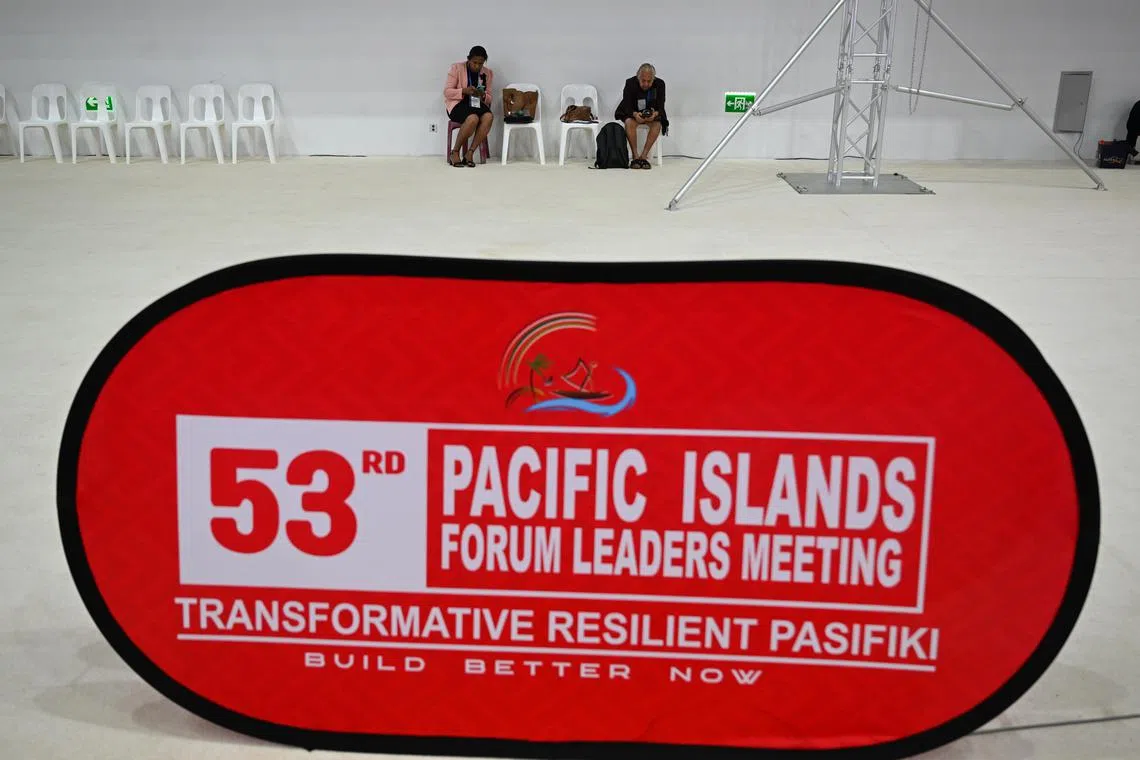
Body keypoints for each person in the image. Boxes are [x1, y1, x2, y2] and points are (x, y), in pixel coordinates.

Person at [444, 46, 494, 167]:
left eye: (480, 63)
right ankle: (455, 152)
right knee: (473, 119)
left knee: (488, 117)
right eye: (474, 62)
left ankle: (470, 153)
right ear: (468, 60)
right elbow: (447, 92)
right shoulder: (456, 68)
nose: (477, 66)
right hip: (458, 104)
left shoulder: (487, 73)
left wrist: (483, 96)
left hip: (476, 103)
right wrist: (464, 91)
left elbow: (489, 97)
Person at [614, 63, 668, 169]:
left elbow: (661, 106)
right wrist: (635, 114)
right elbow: (627, 105)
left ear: (653, 79)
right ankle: (635, 156)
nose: (646, 84)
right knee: (629, 122)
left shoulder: (660, 84)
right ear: (638, 77)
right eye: (643, 81)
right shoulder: (630, 83)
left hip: (651, 115)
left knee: (657, 125)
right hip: (634, 113)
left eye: (649, 81)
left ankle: (644, 157)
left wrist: (655, 114)